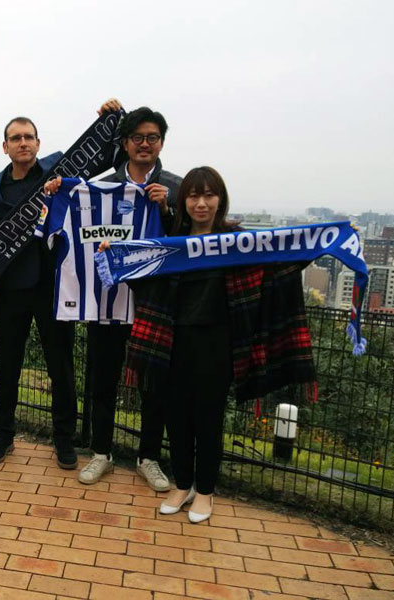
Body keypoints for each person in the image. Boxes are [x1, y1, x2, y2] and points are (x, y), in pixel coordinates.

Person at [122, 166, 315, 523]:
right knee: (176, 417)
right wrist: (114, 255)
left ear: (220, 200)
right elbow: (142, 280)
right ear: (184, 201)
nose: (201, 203)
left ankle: (206, 491)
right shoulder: (172, 241)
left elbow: (277, 261)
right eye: (194, 196)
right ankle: (183, 484)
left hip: (218, 342)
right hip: (172, 339)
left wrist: (326, 241)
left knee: (208, 418)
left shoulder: (236, 242)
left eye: (208, 195)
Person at [78, 100, 182, 490]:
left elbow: (187, 240)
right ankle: (101, 451)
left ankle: (148, 457)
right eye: (137, 137)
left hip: (153, 301)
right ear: (124, 143)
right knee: (102, 377)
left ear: (161, 143)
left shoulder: (176, 187)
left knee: (154, 382)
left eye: (152, 137)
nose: (145, 144)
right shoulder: (102, 185)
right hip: (107, 295)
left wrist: (167, 210)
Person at [0, 117, 78, 469]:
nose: (23, 142)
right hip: (11, 289)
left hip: (53, 287)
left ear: (38, 143)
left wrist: (110, 114)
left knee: (61, 367)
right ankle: (3, 435)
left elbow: (101, 160)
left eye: (29, 137)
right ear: (6, 147)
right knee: (7, 366)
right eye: (15, 138)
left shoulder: (59, 170)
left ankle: (64, 440)